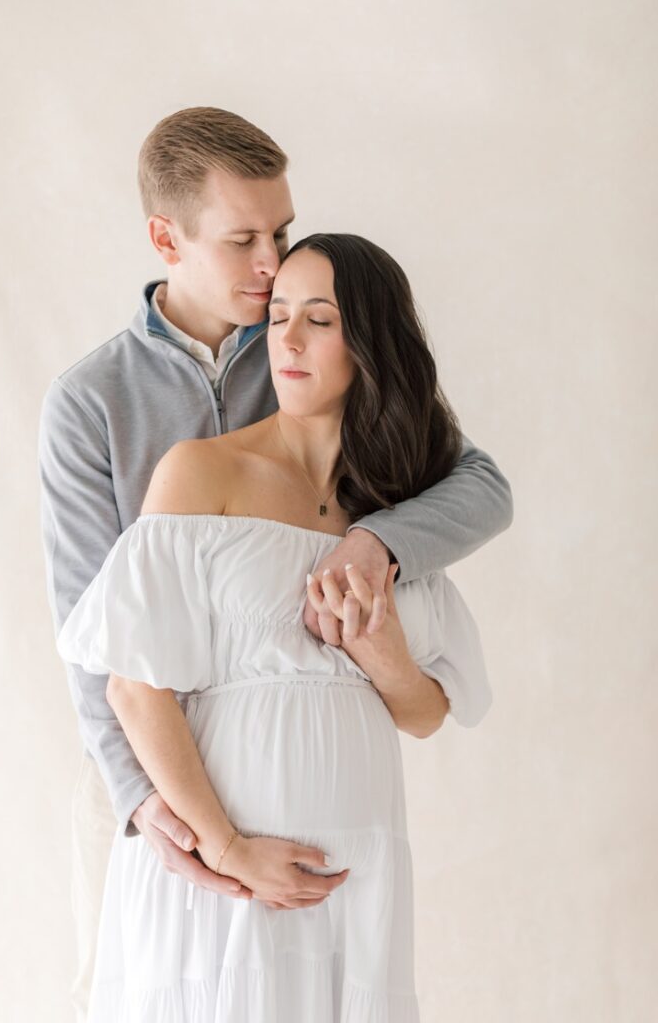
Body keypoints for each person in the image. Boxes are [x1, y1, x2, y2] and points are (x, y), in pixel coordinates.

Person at [38, 107, 513, 1020]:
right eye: (243, 239)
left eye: (282, 232)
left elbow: (478, 487)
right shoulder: (91, 402)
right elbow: (94, 636)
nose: (270, 264)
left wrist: (375, 543)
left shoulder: (316, 353)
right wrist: (165, 816)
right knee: (132, 979)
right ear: (164, 238)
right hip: (147, 771)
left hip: (327, 799)